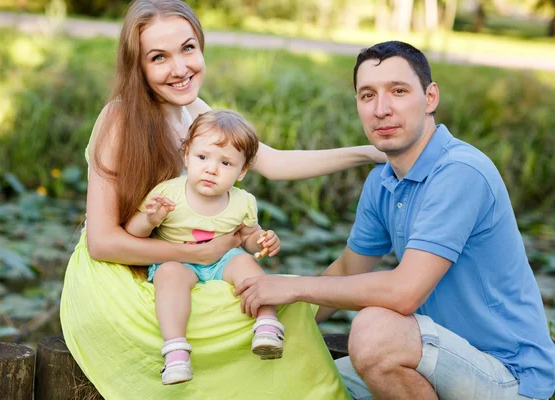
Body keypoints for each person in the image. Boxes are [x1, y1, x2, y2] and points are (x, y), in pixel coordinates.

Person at [59, 0, 385, 398]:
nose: (180, 68)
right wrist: (199, 254)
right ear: (138, 66)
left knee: (272, 302)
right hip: (121, 272)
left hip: (191, 262)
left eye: (188, 48)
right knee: (264, 309)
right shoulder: (119, 119)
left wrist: (369, 153)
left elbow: (274, 161)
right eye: (159, 57)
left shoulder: (195, 111)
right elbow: (102, 243)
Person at [236, 41, 555, 400]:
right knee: (295, 377)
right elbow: (346, 271)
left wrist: (292, 286)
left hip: (507, 375)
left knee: (374, 332)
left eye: (398, 91)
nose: (381, 109)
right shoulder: (383, 181)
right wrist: (278, 323)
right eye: (367, 95)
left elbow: (404, 293)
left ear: (430, 97)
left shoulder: (460, 172)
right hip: (431, 356)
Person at [124, 109, 285, 385]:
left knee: (247, 264)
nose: (211, 169)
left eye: (226, 163)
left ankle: (267, 324)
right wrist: (151, 219)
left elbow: (247, 236)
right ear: (186, 155)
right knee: (169, 275)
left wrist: (261, 240)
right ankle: (176, 351)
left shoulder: (242, 201)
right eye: (202, 158)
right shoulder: (168, 193)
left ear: (242, 170)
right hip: (178, 258)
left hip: (223, 260)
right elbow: (132, 233)